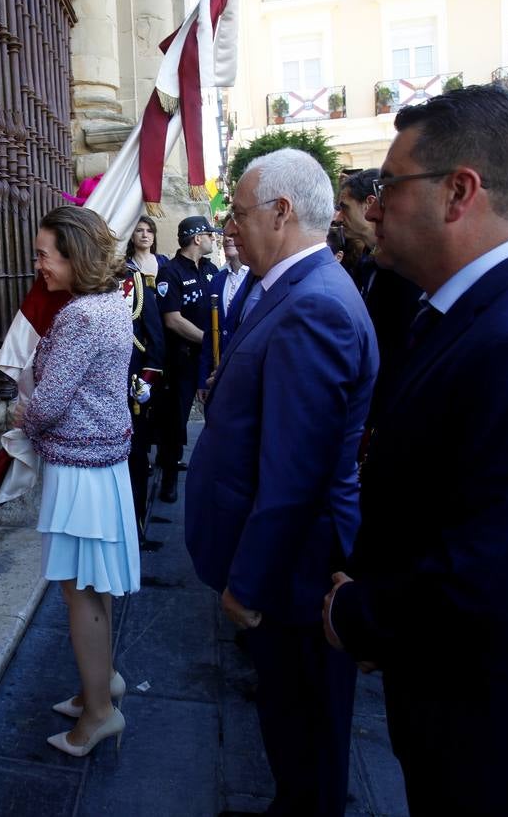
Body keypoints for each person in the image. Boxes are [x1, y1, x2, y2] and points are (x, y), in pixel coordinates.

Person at [323, 83, 508, 816]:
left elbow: (488, 578)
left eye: (390, 186)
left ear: (458, 191)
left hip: (501, 741)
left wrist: (358, 615)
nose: (372, 209)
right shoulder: (468, 314)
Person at [185, 148, 378, 817]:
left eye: (239, 214)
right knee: (290, 719)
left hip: (293, 571)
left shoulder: (315, 304)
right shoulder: (297, 288)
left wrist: (248, 583)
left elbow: (297, 475)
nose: (230, 227)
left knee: (304, 725)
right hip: (290, 565)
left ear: (281, 212)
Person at [18, 206, 139, 757]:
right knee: (94, 586)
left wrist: (20, 414)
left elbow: (46, 405)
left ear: (75, 256)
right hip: (99, 464)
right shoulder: (109, 303)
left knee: (81, 594)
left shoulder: (81, 316)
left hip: (80, 469)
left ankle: (98, 714)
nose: (38, 264)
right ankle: (102, 683)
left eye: (44, 254)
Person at [336, 168, 422, 423]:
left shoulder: (406, 268)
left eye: (345, 207)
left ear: (369, 204)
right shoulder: (366, 262)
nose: (339, 217)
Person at [154, 215, 219, 502]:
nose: (213, 239)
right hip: (181, 360)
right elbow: (173, 319)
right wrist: (210, 340)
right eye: (209, 234)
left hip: (209, 360)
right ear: (197, 238)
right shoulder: (170, 272)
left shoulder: (211, 269)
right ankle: (168, 478)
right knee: (175, 420)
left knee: (216, 414)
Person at [122, 257, 164, 541]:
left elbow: (155, 342)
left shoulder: (136, 283)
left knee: (135, 457)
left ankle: (134, 525)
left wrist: (146, 381)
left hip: (130, 389)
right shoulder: (82, 282)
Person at [196, 229, 253, 395]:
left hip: (246, 374)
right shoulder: (217, 280)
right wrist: (203, 378)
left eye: (234, 234)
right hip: (217, 374)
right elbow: (210, 333)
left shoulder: (257, 278)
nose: (228, 239)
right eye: (226, 234)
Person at [124, 214, 169, 288]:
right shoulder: (125, 266)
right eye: (139, 231)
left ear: (153, 237)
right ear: (132, 237)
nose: (145, 235)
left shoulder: (164, 261)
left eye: (149, 231)